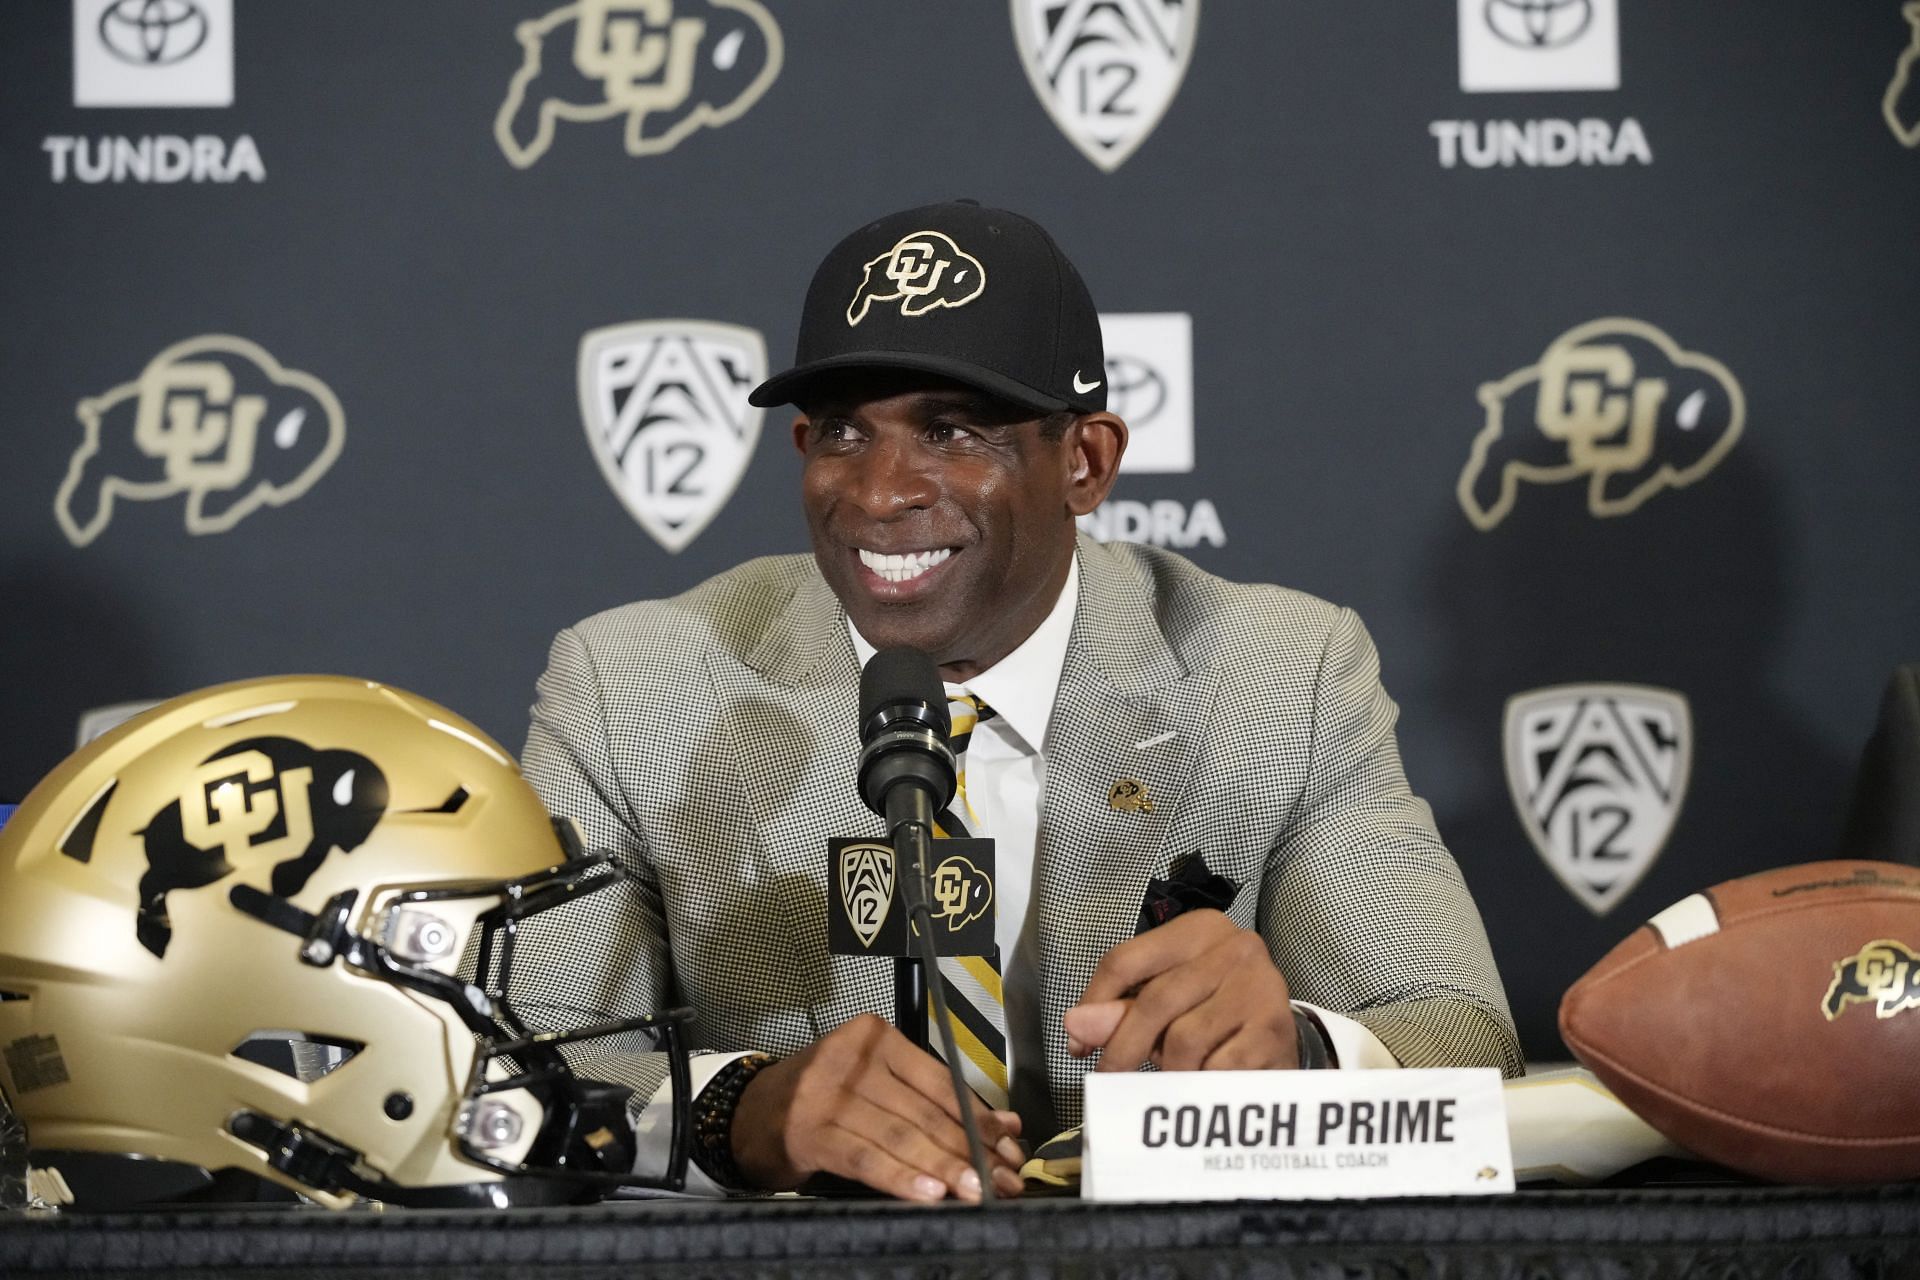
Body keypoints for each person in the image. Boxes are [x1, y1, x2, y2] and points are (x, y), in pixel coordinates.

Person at [519, 200, 1520, 1204]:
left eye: (952, 430)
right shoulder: (632, 689)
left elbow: (1462, 1036)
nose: (878, 492)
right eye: (843, 433)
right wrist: (736, 1113)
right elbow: (508, 1078)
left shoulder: (1278, 675)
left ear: (1085, 462)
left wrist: (1300, 1051)